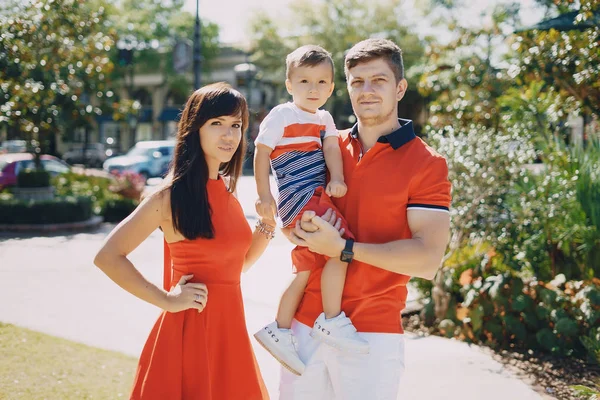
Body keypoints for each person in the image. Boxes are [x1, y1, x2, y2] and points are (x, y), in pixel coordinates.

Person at [280, 38, 452, 400]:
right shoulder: (324, 146)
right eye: (357, 81)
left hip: (371, 334)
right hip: (303, 325)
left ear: (400, 88)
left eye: (379, 80)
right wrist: (288, 225)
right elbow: (291, 201)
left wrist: (343, 248)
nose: (367, 90)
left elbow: (427, 259)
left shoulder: (427, 163)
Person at [94, 83, 272, 400]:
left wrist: (266, 228)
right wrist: (166, 300)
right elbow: (108, 256)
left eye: (236, 126)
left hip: (229, 333)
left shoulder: (227, 193)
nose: (229, 136)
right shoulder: (170, 196)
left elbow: (237, 266)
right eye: (217, 124)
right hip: (190, 333)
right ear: (195, 129)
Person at [252, 45, 369, 377]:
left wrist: (340, 179)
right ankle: (331, 320)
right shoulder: (282, 115)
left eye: (321, 82)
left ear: (332, 88)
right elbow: (261, 155)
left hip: (317, 195)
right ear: (289, 84)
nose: (313, 89)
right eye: (304, 81)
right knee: (341, 247)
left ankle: (280, 328)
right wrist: (264, 196)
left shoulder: (324, 119)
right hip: (300, 197)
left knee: (306, 266)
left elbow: (332, 149)